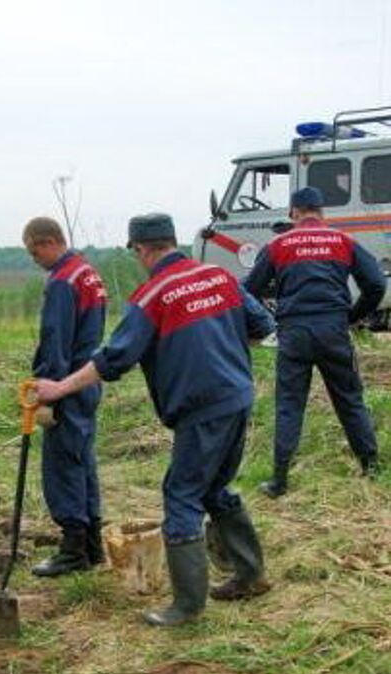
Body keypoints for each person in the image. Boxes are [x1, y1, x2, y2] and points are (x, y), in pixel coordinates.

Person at [34, 213, 275, 625]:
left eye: (136, 252)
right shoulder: (219, 276)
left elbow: (113, 359)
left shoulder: (152, 296)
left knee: (181, 494)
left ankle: (187, 606)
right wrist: (222, 351)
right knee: (215, 487)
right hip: (238, 397)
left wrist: (58, 388)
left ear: (142, 249)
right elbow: (262, 326)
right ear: (172, 241)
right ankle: (249, 575)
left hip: (201, 407)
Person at [244, 186, 386, 497]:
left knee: (289, 405)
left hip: (293, 333)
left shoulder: (278, 244)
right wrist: (352, 315)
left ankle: (279, 481)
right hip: (334, 329)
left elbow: (247, 289)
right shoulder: (343, 241)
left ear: (294, 213)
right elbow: (376, 284)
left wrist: (260, 324)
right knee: (349, 399)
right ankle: (372, 469)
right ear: (321, 213)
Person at [22, 217, 108, 576]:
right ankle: (92, 545)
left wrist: (48, 393)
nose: (33, 259)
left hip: (66, 384)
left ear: (49, 242)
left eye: (33, 251)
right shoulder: (87, 271)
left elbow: (56, 341)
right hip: (88, 379)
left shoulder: (61, 282)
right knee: (83, 460)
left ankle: (72, 549)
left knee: (62, 464)